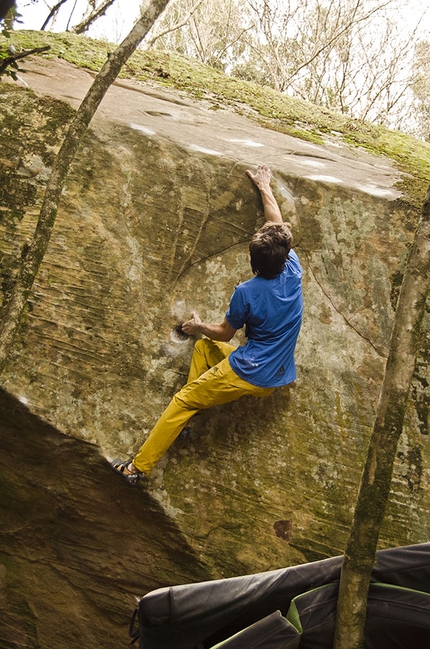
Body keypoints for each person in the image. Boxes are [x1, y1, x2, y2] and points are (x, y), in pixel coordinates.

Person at [111, 164, 303, 484]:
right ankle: (183, 424)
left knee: (182, 399)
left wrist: (199, 326)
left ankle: (135, 470)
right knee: (203, 350)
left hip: (248, 371)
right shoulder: (293, 268)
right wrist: (264, 185)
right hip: (278, 373)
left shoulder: (247, 292)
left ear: (253, 261)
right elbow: (276, 221)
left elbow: (226, 332)